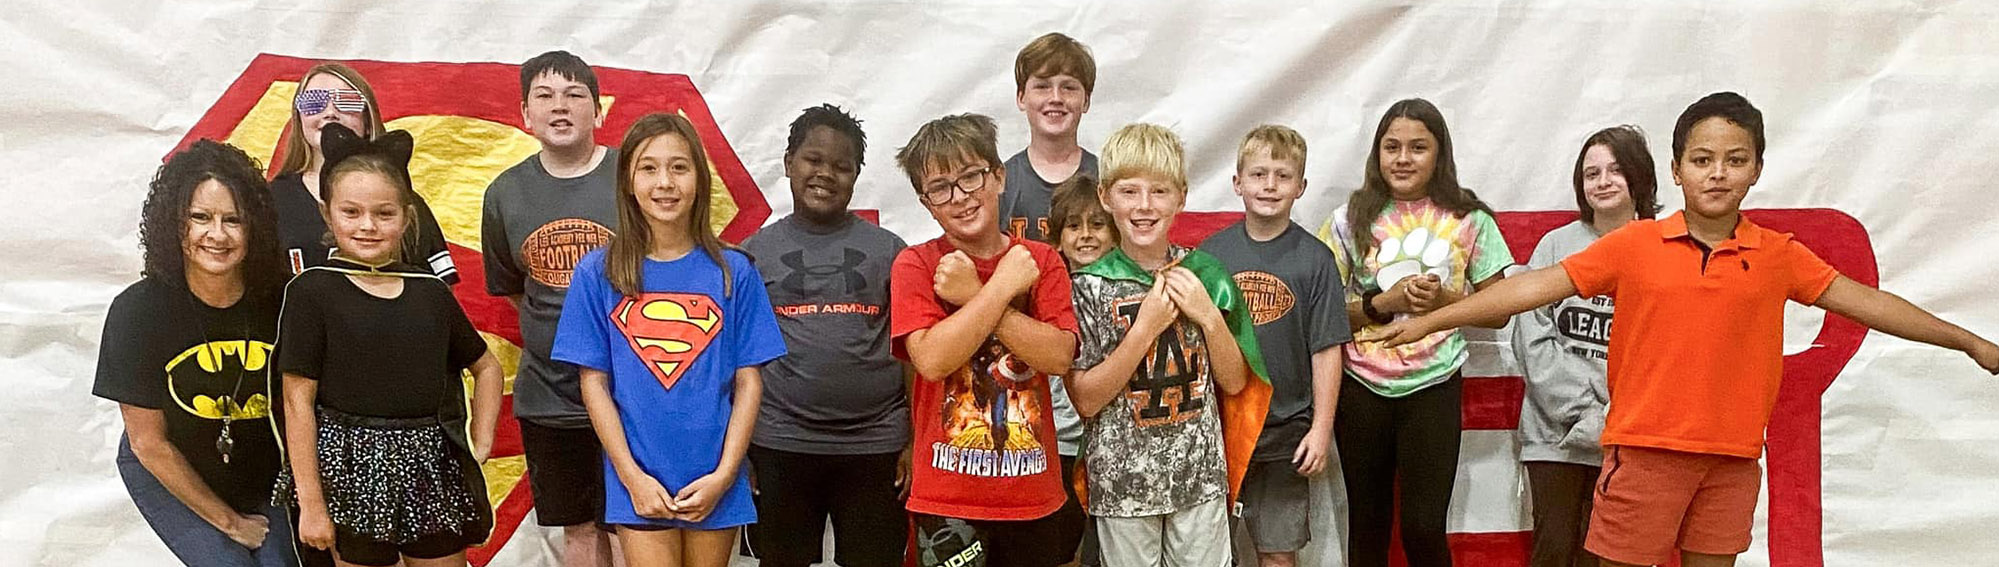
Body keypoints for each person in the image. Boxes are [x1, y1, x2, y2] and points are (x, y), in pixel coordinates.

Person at [1364, 92, 1999, 567]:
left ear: (1756, 169)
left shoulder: (1779, 254)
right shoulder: (1636, 244)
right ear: (1676, 170)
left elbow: (1870, 303)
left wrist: (1969, 340)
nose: (1717, 172)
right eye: (1702, 159)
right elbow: (1528, 289)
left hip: (1731, 461)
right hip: (1642, 456)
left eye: (1734, 159)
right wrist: (1436, 314)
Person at [551, 113, 785, 567]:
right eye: (649, 168)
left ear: (699, 176)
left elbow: (749, 382)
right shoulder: (598, 273)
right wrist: (631, 476)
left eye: (679, 167)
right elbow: (593, 383)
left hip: (714, 476)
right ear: (628, 181)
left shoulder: (734, 272)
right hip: (638, 477)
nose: (665, 182)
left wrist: (725, 474)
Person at [277, 123, 504, 567]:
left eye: (383, 213)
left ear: (406, 216)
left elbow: (487, 366)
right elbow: (295, 402)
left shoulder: (430, 292)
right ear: (329, 216)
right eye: (352, 213)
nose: (367, 226)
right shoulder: (312, 291)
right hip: (348, 471)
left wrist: (481, 438)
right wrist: (312, 503)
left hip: (429, 467)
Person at [1064, 122, 1270, 567]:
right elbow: (1085, 398)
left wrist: (1209, 316)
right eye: (1129, 191)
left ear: (1181, 196)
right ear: (1105, 196)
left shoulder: (1207, 274)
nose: (1144, 206)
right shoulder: (1089, 286)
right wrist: (1144, 329)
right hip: (1123, 484)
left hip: (1198, 478)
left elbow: (1235, 383)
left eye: (1159, 192)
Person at [1319, 98, 1511, 567]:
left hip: (1434, 386)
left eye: (1418, 147)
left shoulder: (1471, 219)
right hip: (1361, 386)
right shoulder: (1348, 220)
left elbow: (1499, 312)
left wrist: (1444, 303)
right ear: (1377, 154)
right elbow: (1321, 315)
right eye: (1392, 147)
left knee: (1424, 528)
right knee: (1367, 526)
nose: (1403, 158)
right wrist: (1384, 304)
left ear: (1439, 153)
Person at [889, 113, 1079, 567]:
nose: (960, 197)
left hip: (1033, 494)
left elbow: (1058, 355)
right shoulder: (916, 265)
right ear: (926, 203)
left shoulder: (1040, 260)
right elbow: (932, 360)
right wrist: (996, 289)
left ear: (997, 176)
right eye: (941, 188)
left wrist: (973, 295)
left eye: (971, 177)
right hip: (947, 498)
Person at [94, 140, 294, 567]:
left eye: (233, 220)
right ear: (174, 225)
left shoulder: (284, 302)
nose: (216, 235)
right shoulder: (137, 312)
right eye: (200, 217)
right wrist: (231, 524)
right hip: (170, 461)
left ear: (253, 227)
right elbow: (148, 443)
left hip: (262, 470)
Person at [742, 104, 910, 567]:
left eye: (842, 166)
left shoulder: (890, 252)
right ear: (788, 164)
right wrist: (741, 450)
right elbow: (736, 359)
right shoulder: (754, 254)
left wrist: (913, 440)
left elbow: (913, 354)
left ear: (856, 176)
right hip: (779, 442)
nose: (826, 174)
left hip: (877, 446)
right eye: (814, 160)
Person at [477, 50, 621, 567]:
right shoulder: (505, 194)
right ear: (525, 115)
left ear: (598, 110)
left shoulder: (636, 178)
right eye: (545, 96)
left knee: (637, 527)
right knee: (579, 532)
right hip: (552, 400)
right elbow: (517, 290)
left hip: (635, 391)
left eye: (574, 95)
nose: (560, 108)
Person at [1199, 125, 1350, 567]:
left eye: (1283, 176)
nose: (1269, 185)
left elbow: (1326, 350)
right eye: (1259, 174)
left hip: (1287, 434)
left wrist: (1321, 428)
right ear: (1237, 182)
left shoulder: (1316, 260)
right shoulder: (1211, 256)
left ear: (1301, 186)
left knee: (1278, 553)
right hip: (1218, 435)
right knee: (1209, 553)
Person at [1511, 125, 1660, 567]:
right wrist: (1584, 412)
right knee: (1555, 551)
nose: (1602, 181)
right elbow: (1532, 337)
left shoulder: (1662, 248)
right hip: (1554, 435)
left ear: (1639, 178)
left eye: (1615, 170)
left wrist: (1615, 417)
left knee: (1611, 557)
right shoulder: (1556, 246)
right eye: (1591, 172)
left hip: (1629, 436)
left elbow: (1666, 352)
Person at [270, 62, 457, 281]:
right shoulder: (269, 201)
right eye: (313, 102)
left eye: (347, 102)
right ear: (298, 118)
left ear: (368, 120)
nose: (330, 113)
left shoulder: (405, 200)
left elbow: (440, 289)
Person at [1042, 173, 1115, 567]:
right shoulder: (1047, 295)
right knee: (1063, 551)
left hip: (1116, 444)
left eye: (1098, 224)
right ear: (1056, 238)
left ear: (1116, 233)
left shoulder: (1130, 293)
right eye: (1073, 225)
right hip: (1061, 448)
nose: (1086, 235)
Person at [998, 32, 1100, 242]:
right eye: (1042, 86)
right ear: (1021, 98)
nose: (1055, 98)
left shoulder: (1106, 178)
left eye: (1069, 88)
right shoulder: (1001, 184)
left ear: (1086, 101)